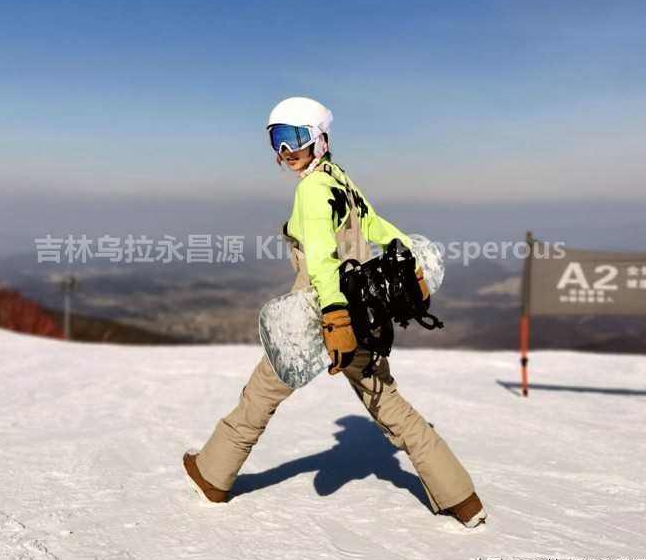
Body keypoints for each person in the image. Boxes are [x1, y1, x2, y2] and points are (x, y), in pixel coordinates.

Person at [183, 97, 486, 528]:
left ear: (320, 139)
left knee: (262, 392)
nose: (287, 152)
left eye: (295, 138)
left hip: (317, 314)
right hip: (362, 309)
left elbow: (323, 260)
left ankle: (213, 476)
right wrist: (411, 258)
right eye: (277, 139)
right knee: (390, 405)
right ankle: (462, 498)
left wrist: (333, 317)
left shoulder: (311, 189)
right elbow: (378, 227)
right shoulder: (341, 181)